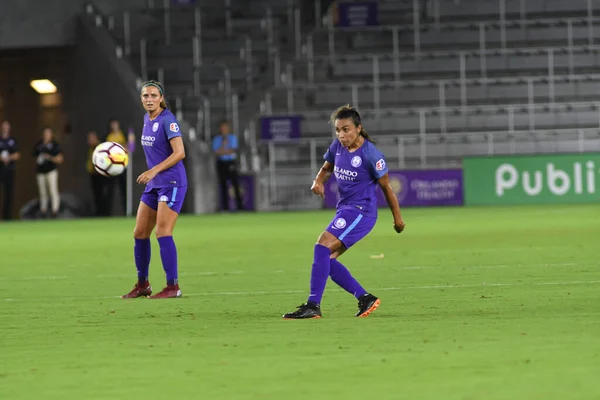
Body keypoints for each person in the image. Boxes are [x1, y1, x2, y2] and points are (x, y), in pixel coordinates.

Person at [283, 105, 406, 319]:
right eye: (338, 130)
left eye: (346, 129)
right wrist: (318, 181)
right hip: (346, 210)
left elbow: (387, 188)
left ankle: (313, 305)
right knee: (326, 259)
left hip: (361, 212)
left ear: (358, 129)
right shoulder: (337, 147)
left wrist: (398, 219)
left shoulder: (371, 154)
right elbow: (326, 168)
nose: (341, 134)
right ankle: (364, 298)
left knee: (321, 245)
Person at [122, 80, 187, 299]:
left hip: (172, 183)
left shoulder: (168, 120)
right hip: (155, 184)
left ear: (161, 98)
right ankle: (143, 285)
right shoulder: (146, 120)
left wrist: (153, 171)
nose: (149, 99)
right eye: (145, 96)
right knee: (140, 233)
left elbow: (179, 152)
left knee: (162, 232)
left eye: (153, 96)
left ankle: (173, 286)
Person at [212, 120, 244, 211]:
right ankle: (225, 207)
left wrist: (223, 151)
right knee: (223, 185)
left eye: (225, 127)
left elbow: (232, 150)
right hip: (221, 163)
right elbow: (216, 152)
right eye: (222, 127)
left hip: (231, 162)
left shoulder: (232, 138)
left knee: (235, 183)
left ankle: (240, 206)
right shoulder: (217, 139)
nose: (224, 129)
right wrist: (223, 146)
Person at [33, 127, 64, 218]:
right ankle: (43, 211)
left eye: (48, 133)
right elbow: (33, 153)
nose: (46, 135)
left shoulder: (55, 145)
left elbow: (60, 159)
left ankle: (55, 211)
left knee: (53, 190)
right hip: (40, 171)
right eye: (45, 133)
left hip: (51, 171)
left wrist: (49, 157)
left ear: (51, 134)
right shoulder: (39, 144)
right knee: (42, 192)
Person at [105, 118, 127, 215]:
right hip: (111, 166)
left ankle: (126, 211)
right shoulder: (108, 137)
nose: (114, 126)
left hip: (121, 165)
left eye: (115, 124)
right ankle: (108, 212)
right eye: (112, 124)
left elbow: (130, 147)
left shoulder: (123, 135)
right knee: (110, 189)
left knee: (124, 189)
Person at [0, 121, 21, 220]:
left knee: (9, 193)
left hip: (9, 170)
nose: (5, 128)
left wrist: (9, 157)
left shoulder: (12, 141)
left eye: (7, 127)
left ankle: (7, 216)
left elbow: (17, 154)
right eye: (3, 127)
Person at [86, 131, 109, 216]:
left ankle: (104, 212)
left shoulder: (100, 148)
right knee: (96, 194)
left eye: (91, 138)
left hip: (100, 174)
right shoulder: (91, 148)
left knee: (102, 193)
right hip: (93, 174)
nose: (89, 140)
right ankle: (98, 211)